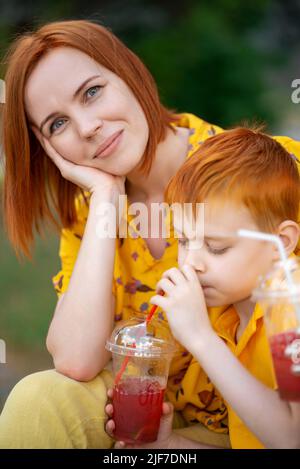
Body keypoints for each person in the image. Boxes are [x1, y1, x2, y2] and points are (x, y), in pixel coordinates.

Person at [0, 19, 299, 448]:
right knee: (39, 400)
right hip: (154, 419)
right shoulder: (89, 215)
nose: (87, 127)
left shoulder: (265, 173)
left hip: (263, 420)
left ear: (129, 73)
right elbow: (76, 360)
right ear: (46, 147)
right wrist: (105, 196)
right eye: (57, 124)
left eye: (92, 92)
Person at [106, 127, 300, 449]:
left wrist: (201, 339)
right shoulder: (229, 314)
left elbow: (291, 439)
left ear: (280, 243)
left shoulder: (290, 307)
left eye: (216, 247)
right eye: (183, 240)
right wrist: (168, 444)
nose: (192, 263)